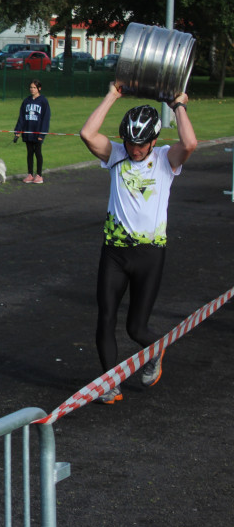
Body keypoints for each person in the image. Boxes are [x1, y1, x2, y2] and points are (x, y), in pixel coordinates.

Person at [79, 85, 196, 404]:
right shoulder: (116, 154)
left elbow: (190, 143)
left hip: (149, 255)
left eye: (141, 144)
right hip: (114, 252)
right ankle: (110, 382)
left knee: (136, 327)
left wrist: (178, 106)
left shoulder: (164, 160)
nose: (134, 149)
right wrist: (113, 95)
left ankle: (156, 352)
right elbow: (87, 133)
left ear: (153, 141)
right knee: (105, 317)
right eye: (130, 142)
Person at [14, 79, 51, 183]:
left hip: (37, 131)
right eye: (31, 87)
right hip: (27, 131)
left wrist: (42, 134)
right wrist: (18, 130)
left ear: (39, 88)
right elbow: (21, 117)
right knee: (29, 153)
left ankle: (39, 175)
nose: (32, 89)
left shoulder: (43, 101)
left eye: (34, 87)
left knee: (38, 152)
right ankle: (30, 174)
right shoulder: (26, 101)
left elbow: (46, 118)